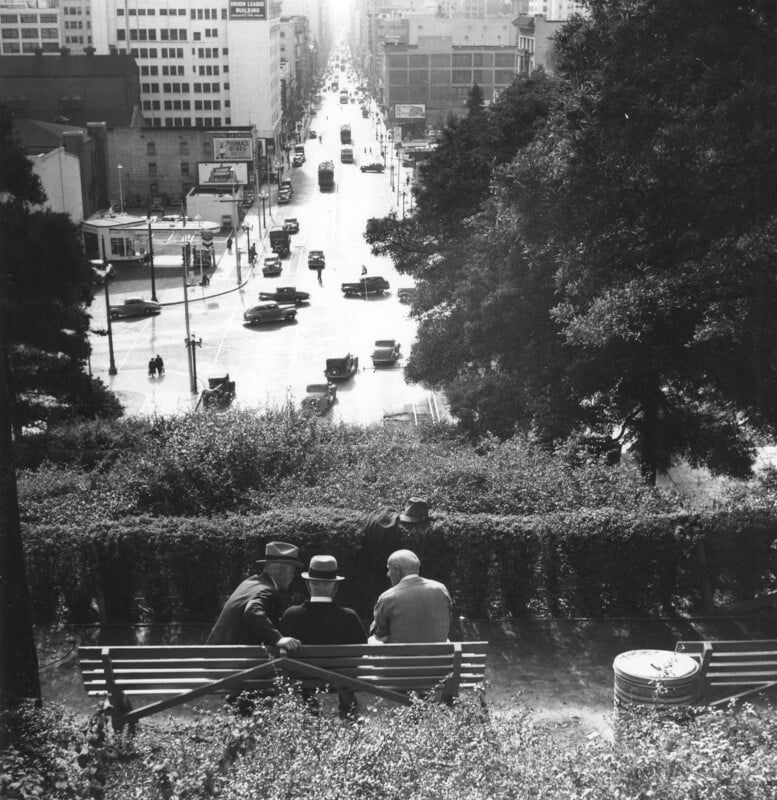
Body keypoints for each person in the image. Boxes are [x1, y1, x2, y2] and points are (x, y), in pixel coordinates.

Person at [280, 555, 366, 718]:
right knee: (344, 674)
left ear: (307, 584)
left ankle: (311, 710)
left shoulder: (291, 615)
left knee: (300, 671)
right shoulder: (350, 617)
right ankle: (349, 713)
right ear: (335, 587)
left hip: (304, 680)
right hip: (341, 680)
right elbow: (360, 651)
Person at [207, 541, 302, 652]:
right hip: (229, 661)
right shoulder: (267, 590)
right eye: (293, 571)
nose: (293, 576)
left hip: (215, 657)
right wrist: (278, 639)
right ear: (283, 570)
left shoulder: (249, 582)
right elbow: (252, 610)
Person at [370, 549, 451, 644]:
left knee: (372, 640)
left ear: (397, 570)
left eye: (389, 569)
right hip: (440, 657)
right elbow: (448, 621)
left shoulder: (387, 597)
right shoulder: (441, 589)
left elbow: (380, 635)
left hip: (399, 658)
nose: (388, 574)